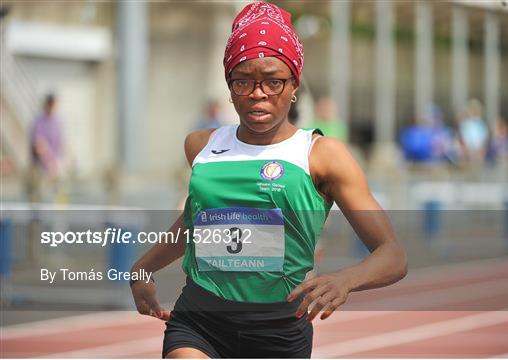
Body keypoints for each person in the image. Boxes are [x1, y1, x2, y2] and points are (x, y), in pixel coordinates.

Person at [130, 2, 407, 358]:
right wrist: (143, 268)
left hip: (278, 331)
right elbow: (199, 222)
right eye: (243, 80)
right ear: (229, 87)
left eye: (273, 81)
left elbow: (393, 254)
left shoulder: (321, 155)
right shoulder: (201, 146)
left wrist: (345, 280)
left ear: (293, 85)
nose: (258, 93)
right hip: (199, 318)